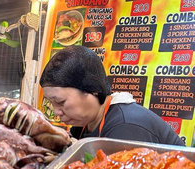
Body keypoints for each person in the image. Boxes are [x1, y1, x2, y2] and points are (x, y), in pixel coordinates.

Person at [40, 45, 185, 146]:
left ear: (91, 90)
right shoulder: (84, 125)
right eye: (51, 103)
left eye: (60, 102)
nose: (56, 111)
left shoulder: (126, 126)